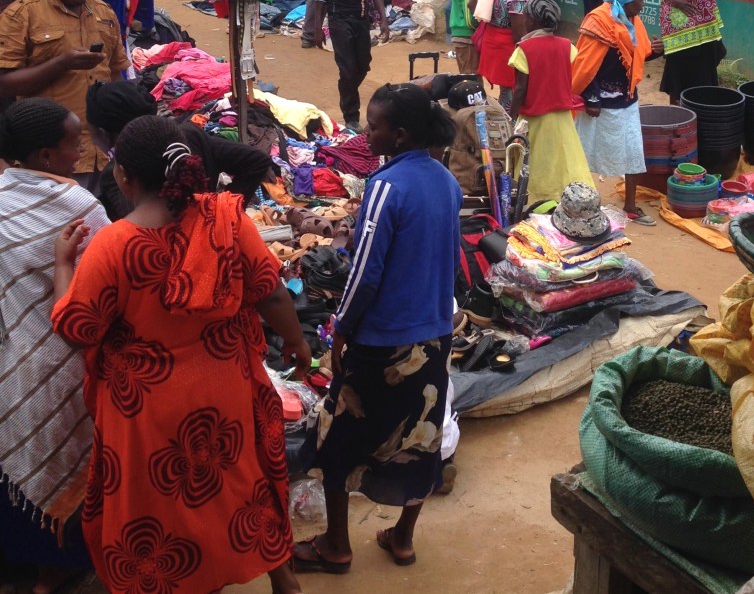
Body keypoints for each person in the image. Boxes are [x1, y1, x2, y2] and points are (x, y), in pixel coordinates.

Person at [51, 115, 310, 594]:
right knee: (239, 482)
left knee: (162, 502)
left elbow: (78, 326)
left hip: (146, 408)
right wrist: (296, 342)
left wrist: (64, 266)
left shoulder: (114, 244)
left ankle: (189, 579)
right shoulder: (225, 219)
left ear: (123, 177)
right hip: (224, 387)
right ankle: (282, 576)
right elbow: (269, 292)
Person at [294, 83, 460, 574]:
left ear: (400, 134)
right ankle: (403, 539)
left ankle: (336, 546)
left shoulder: (386, 187)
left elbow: (365, 270)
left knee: (337, 436)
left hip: (383, 338)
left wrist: (341, 329)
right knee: (420, 433)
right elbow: (448, 259)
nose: (367, 133)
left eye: (375, 126)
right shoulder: (445, 182)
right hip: (433, 331)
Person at [0, 99, 107, 594]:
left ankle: (30, 566)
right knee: (68, 460)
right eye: (72, 141)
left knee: (22, 455)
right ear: (45, 155)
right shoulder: (80, 205)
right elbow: (110, 279)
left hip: (13, 359)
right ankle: (52, 572)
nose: (81, 147)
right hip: (67, 361)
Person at [0, 0, 129, 189]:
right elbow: (4, 84)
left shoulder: (104, 13)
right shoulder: (21, 15)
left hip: (104, 155)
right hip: (51, 158)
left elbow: (116, 73)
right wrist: (61, 63)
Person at [85, 80, 275, 220]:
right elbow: (256, 161)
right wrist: (221, 213)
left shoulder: (117, 173)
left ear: (103, 134)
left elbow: (135, 223)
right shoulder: (188, 134)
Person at [572, 0, 661, 225]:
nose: (643, 3)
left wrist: (655, 51)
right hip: (598, 104)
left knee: (633, 152)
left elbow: (635, 59)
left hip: (628, 100)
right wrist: (591, 98)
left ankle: (631, 206)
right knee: (584, 154)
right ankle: (581, 205)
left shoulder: (633, 21)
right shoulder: (599, 21)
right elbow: (586, 65)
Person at [509, 0, 593, 202]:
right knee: (565, 162)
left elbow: (520, 89)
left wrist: (511, 116)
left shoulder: (524, 49)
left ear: (532, 21)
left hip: (534, 119)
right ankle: (570, 199)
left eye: (526, 16)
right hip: (562, 117)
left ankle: (535, 199)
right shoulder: (567, 46)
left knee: (535, 162)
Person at [313, 0, 390, 131]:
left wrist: (384, 19)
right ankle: (351, 116)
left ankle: (345, 90)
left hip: (361, 19)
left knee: (363, 65)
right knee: (347, 69)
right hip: (338, 20)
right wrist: (317, 27)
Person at [474, 0, 546, 110]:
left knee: (506, 92)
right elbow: (520, 37)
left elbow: (473, 4)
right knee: (512, 94)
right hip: (508, 52)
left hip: (493, 45)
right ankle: (509, 127)